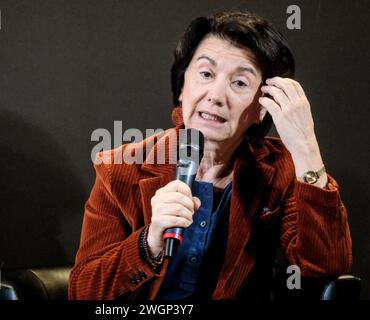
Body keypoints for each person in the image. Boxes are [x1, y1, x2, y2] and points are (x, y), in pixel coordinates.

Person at [68, 10, 352, 300]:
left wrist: (306, 147)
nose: (215, 95)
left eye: (239, 83)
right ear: (182, 86)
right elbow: (83, 291)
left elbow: (326, 266)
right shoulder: (120, 168)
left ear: (262, 107)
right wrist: (149, 241)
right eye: (206, 74)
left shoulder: (280, 169)